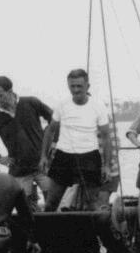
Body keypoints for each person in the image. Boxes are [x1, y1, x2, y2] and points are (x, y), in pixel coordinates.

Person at [0, 76, 54, 210]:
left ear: (10, 91)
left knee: (53, 202)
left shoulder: (31, 102)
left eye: (1, 96)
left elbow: (54, 118)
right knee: (25, 208)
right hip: (19, 169)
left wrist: (51, 141)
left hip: (43, 165)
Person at [40, 69, 112, 212]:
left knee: (91, 205)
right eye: (72, 86)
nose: (75, 90)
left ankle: (91, 233)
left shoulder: (98, 106)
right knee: (50, 204)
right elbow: (50, 130)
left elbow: (106, 136)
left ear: (87, 86)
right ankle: (47, 233)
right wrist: (43, 156)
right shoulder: (62, 104)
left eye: (79, 86)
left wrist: (107, 166)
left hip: (90, 157)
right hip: (64, 156)